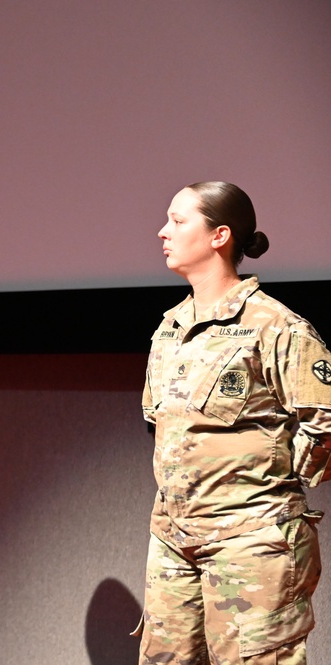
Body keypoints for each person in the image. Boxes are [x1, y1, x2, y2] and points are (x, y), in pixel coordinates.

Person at [136, 181, 331, 664]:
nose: (164, 231)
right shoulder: (170, 328)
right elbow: (156, 421)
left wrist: (278, 488)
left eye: (179, 221)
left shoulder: (275, 326)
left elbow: (325, 418)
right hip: (174, 539)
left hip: (250, 544)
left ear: (219, 235)